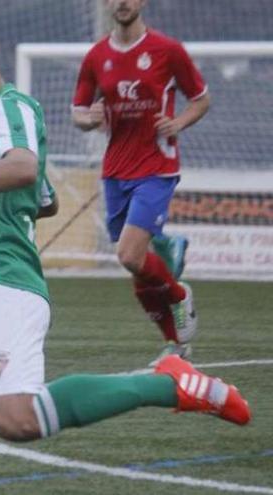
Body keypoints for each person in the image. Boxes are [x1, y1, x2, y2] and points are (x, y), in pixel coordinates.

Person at [0, 7, 250, 495]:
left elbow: (24, 168)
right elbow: (41, 200)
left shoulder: (13, 108)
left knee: (16, 419)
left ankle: (167, 383)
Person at [72, 0, 210, 365]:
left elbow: (201, 99)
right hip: (115, 170)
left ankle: (180, 296)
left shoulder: (167, 50)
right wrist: (90, 118)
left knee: (129, 255)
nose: (121, 2)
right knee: (135, 263)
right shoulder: (96, 56)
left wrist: (178, 123)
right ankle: (175, 344)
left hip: (156, 167)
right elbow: (78, 111)